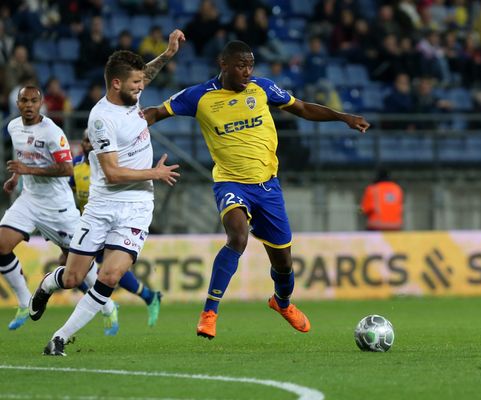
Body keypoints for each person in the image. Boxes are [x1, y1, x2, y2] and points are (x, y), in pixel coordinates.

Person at [143, 40, 370, 340]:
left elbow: (301, 107)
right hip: (230, 181)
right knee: (237, 236)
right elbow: (156, 113)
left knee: (284, 263)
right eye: (240, 65)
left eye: (250, 65)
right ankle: (209, 313)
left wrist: (343, 117)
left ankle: (282, 302)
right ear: (223, 64)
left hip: (268, 187)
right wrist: (115, 126)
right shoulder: (199, 96)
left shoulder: (262, 89)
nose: (247, 71)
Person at [29, 29, 184, 356]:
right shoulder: (101, 119)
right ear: (116, 84)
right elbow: (112, 174)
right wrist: (154, 172)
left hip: (138, 205)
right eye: (134, 83)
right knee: (72, 277)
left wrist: (168, 53)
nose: (141, 87)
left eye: (141, 82)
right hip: (103, 205)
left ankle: (59, 338)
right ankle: (45, 286)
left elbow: (146, 75)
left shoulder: (131, 95)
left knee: (111, 274)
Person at [0, 85, 118, 333]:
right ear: (18, 103)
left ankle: (107, 306)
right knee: (1, 245)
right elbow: (21, 158)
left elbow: (67, 169)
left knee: (80, 263)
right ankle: (24, 301)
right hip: (29, 199)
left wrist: (28, 170)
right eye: (24, 101)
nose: (29, 105)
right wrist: (15, 178)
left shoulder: (53, 132)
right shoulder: (13, 127)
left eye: (34, 101)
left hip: (58, 208)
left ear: (41, 103)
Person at [72, 130, 163, 327]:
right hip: (90, 223)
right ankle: (143, 297)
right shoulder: (75, 168)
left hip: (113, 222)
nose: (88, 144)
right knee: (76, 270)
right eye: (85, 140)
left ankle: (110, 303)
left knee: (107, 271)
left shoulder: (113, 165)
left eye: (91, 141)